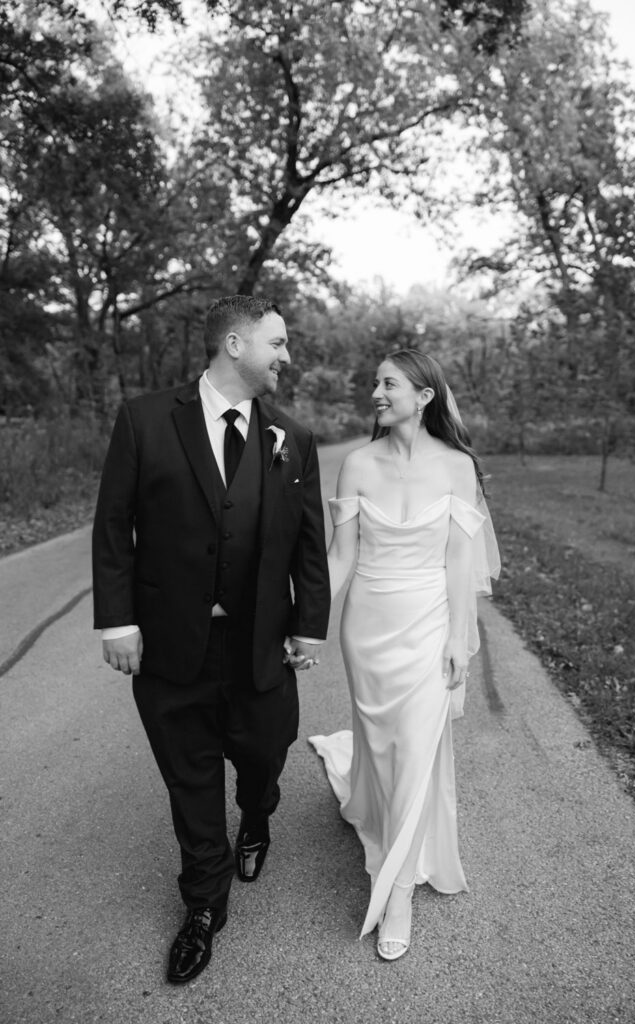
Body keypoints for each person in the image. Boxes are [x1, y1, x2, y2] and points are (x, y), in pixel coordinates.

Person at [92, 295, 330, 984]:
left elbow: (310, 549)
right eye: (278, 343)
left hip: (258, 645)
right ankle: (202, 905)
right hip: (169, 646)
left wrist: (309, 625)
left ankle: (256, 817)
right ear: (235, 344)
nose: (287, 356)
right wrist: (118, 618)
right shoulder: (143, 421)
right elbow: (114, 526)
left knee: (264, 753)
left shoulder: (293, 439)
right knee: (189, 777)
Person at [310, 348, 499, 961]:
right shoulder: (358, 464)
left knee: (417, 749)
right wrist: (306, 623)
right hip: (366, 627)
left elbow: (458, 561)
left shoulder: (457, 468)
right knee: (383, 744)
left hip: (427, 625)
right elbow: (341, 558)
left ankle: (396, 895)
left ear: (424, 396)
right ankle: (372, 806)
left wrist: (455, 639)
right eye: (374, 383)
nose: (375, 393)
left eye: (387, 383)